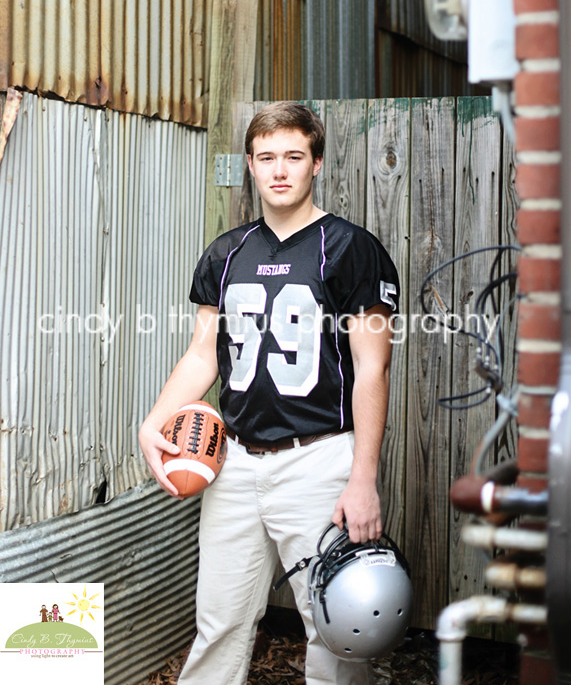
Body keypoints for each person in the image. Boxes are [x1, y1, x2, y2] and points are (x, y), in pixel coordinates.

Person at [139, 101, 399, 685]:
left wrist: (363, 479)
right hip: (233, 463)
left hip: (319, 460)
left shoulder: (353, 249)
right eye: (266, 158)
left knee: (337, 630)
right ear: (251, 167)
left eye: (293, 156)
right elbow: (204, 353)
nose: (279, 170)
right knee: (220, 622)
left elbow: (373, 370)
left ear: (317, 164)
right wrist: (152, 421)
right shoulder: (226, 253)